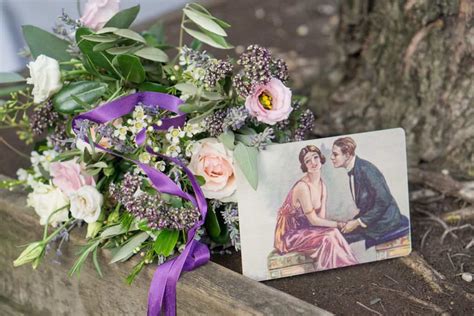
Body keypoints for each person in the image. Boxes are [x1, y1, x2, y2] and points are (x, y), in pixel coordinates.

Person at [274, 145, 358, 271]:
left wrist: (337, 226)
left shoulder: (322, 185)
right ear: (304, 165)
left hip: (307, 232)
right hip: (290, 236)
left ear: (321, 159)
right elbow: (314, 220)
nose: (313, 163)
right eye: (308, 161)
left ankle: (350, 266)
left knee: (332, 233)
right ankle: (344, 269)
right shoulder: (302, 187)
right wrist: (339, 224)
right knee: (329, 236)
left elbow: (320, 220)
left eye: (315, 157)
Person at [330, 137, 409, 248]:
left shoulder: (366, 169)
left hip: (385, 221)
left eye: (335, 154)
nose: (331, 158)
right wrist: (353, 221)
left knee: (340, 240)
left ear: (347, 155)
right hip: (373, 219)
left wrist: (357, 222)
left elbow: (383, 201)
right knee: (336, 235)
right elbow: (367, 205)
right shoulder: (355, 169)